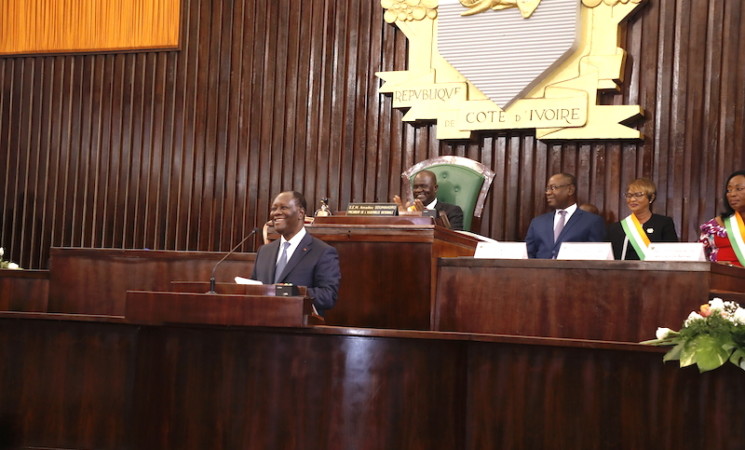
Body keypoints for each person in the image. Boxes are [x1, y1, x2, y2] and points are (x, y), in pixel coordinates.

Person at [251, 191, 341, 314]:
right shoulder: (264, 251)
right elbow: (254, 289)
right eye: (274, 209)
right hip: (262, 324)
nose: (276, 213)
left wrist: (294, 292)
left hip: (298, 328)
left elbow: (328, 296)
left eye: (284, 208)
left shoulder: (322, 252)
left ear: (300, 213)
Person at [525, 173, 606, 259]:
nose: (548, 193)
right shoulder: (537, 222)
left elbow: (596, 258)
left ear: (570, 190)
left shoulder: (592, 221)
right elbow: (527, 255)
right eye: (547, 189)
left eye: (553, 188)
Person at [607, 178, 678, 260]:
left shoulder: (663, 223)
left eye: (638, 195)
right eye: (629, 195)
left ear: (651, 198)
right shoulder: (615, 228)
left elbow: (671, 255)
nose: (632, 199)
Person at [699, 170, 745, 267]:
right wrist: (715, 266)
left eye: (739, 189)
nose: (732, 194)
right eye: (729, 190)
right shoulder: (715, 225)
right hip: (719, 279)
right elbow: (701, 258)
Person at [393, 170, 464, 230]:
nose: (419, 190)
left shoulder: (453, 211)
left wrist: (425, 215)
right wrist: (401, 218)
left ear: (435, 188)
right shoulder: (409, 210)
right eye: (415, 187)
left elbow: (454, 240)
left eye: (424, 186)